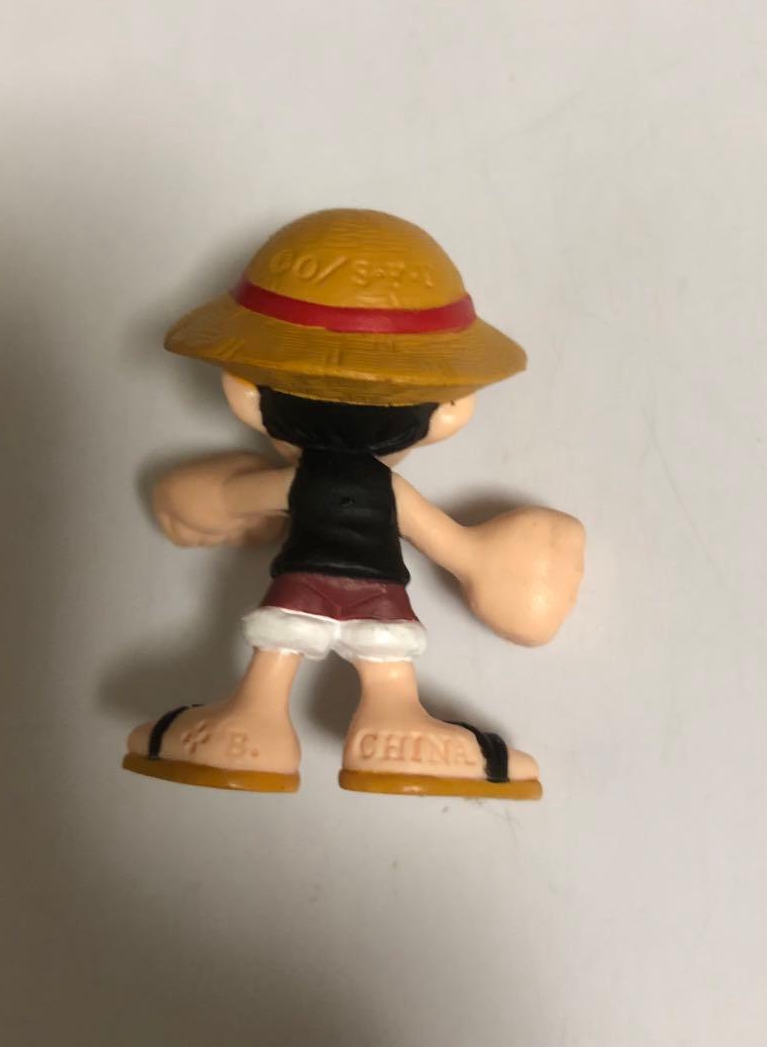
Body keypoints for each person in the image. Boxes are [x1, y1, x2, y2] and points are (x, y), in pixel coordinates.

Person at [123, 209, 584, 798]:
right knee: (367, 657)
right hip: (374, 587)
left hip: (308, 580)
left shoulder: (300, 480)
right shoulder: (384, 486)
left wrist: (212, 500)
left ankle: (264, 727)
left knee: (282, 647)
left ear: (245, 394)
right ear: (450, 411)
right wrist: (479, 559)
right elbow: (440, 539)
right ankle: (369, 727)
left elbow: (230, 498)